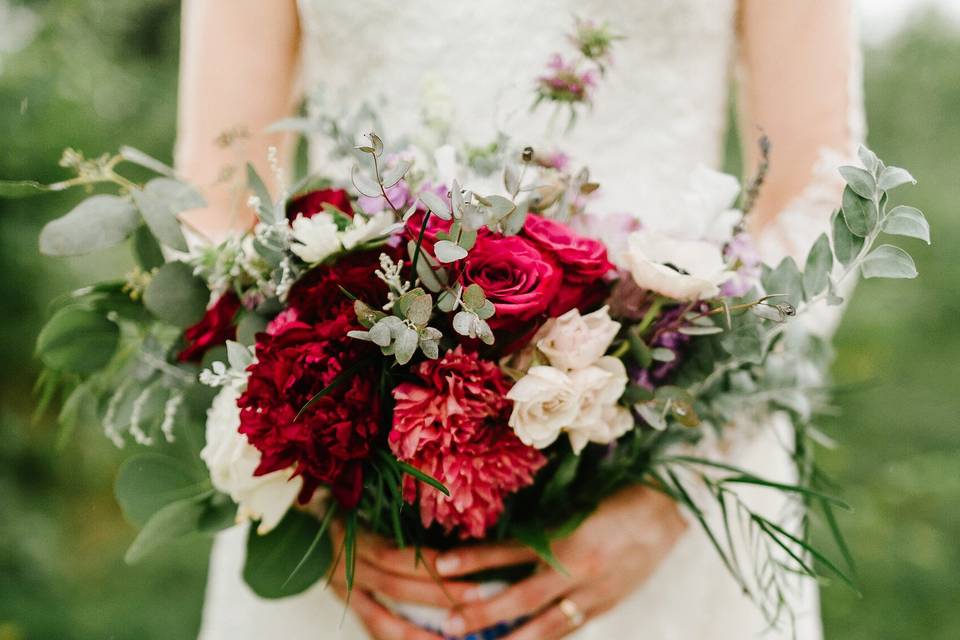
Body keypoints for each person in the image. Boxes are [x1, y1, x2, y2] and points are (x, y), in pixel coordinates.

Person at [180, 1, 862, 638]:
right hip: (348, 514)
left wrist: (682, 483)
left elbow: (819, 184)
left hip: (667, 500)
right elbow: (215, 189)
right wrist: (305, 456)